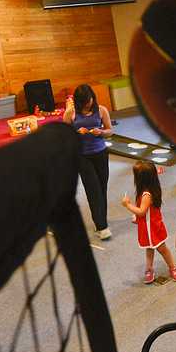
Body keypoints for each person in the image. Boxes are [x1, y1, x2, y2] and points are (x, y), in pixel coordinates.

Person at [63, 84, 114, 240]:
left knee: (102, 187)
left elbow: (110, 131)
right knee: (93, 190)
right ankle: (102, 226)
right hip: (82, 157)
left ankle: (101, 219)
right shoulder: (71, 113)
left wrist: (101, 132)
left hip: (100, 153)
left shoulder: (102, 110)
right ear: (78, 101)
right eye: (84, 102)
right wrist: (76, 134)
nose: (88, 104)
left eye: (89, 101)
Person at [122, 160, 176, 284]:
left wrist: (127, 205)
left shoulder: (146, 195)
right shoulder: (149, 187)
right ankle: (149, 269)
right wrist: (137, 217)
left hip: (153, 228)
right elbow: (143, 212)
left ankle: (172, 267)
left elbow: (142, 211)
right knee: (149, 249)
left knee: (162, 249)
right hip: (148, 226)